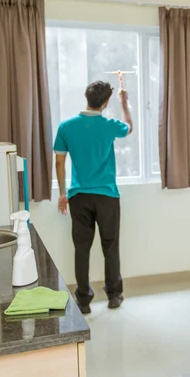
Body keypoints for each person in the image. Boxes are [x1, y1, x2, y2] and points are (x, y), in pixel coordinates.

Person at [53, 80, 133, 314]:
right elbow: (129, 127)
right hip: (107, 196)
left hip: (79, 196)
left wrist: (62, 194)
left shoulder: (66, 126)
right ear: (106, 102)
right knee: (110, 246)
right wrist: (125, 104)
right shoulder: (109, 125)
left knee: (81, 248)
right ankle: (114, 295)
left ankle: (84, 300)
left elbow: (59, 160)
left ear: (85, 96)